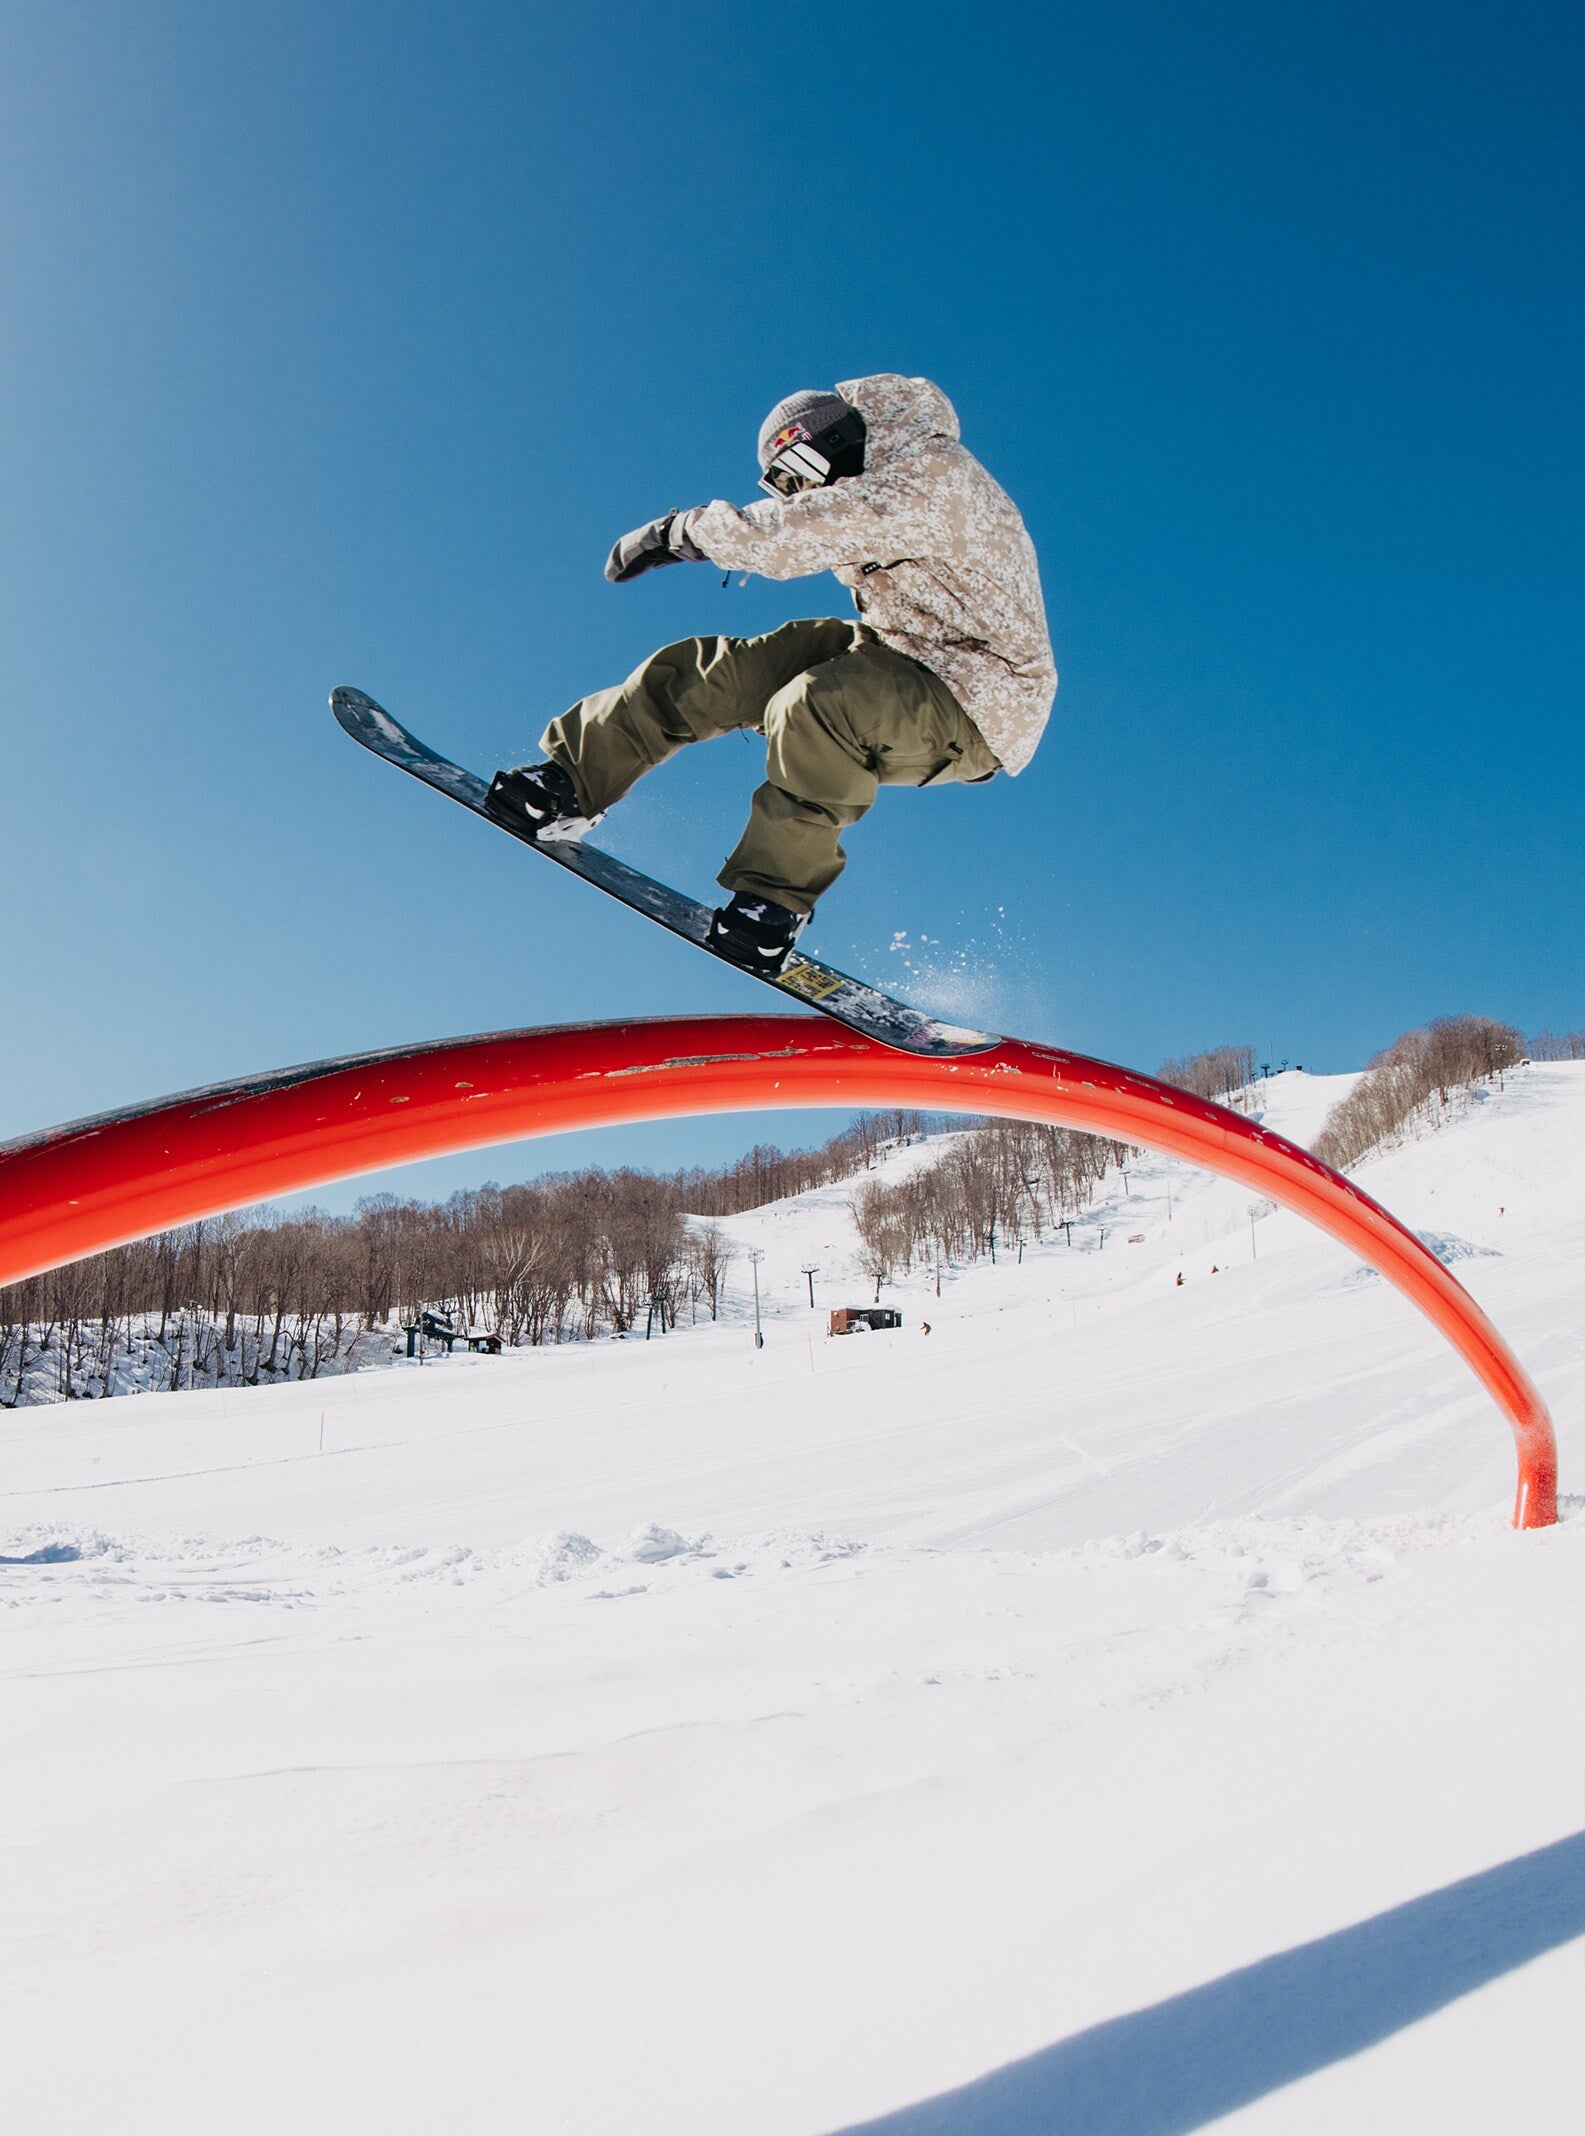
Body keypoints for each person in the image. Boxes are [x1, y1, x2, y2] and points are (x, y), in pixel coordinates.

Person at [488, 374, 1056, 972]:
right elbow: (813, 519)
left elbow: (803, 530)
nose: (799, 493)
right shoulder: (878, 477)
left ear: (838, 442)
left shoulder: (933, 477)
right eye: (784, 485)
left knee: (817, 704)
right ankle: (570, 782)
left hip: (981, 695)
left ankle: (773, 903)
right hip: (903, 648)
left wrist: (681, 532)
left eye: (800, 473)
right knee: (733, 670)